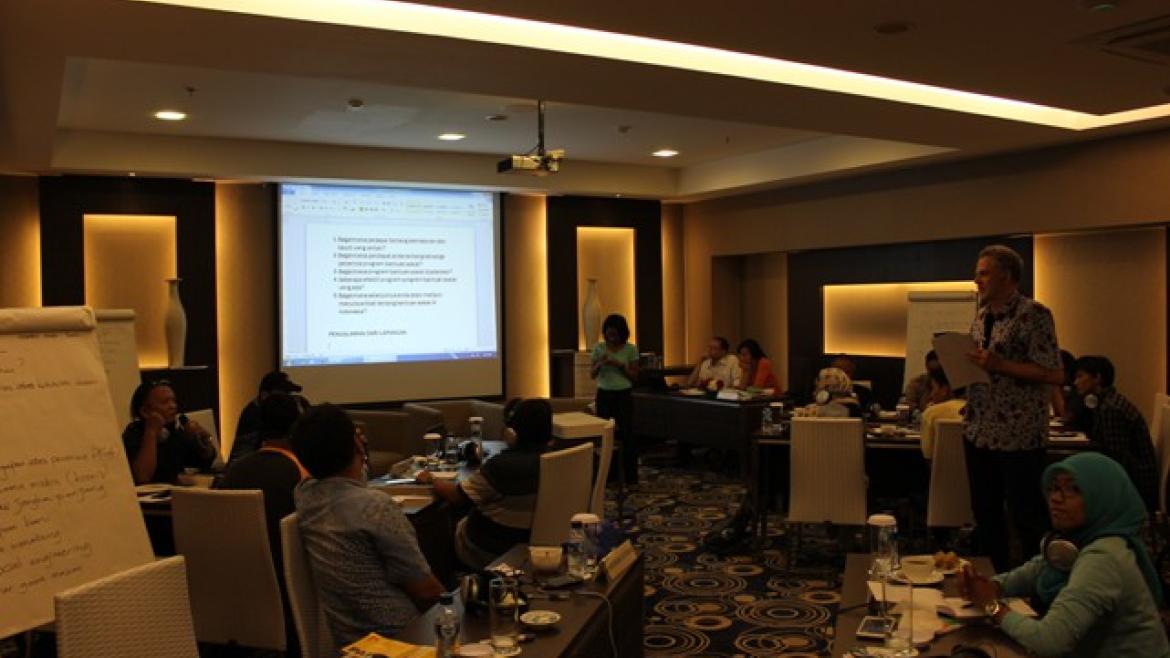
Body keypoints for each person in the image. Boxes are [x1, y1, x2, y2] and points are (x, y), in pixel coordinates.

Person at [960, 452, 1169, 658]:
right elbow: (1036, 569)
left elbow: (1049, 641)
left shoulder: (1104, 557)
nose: (1055, 498)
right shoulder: (1077, 540)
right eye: (1054, 488)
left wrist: (993, 607)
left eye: (1073, 489)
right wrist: (993, 586)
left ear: (1102, 497)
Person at [291, 404, 442, 648]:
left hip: (349, 641)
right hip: (402, 637)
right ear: (357, 444)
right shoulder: (375, 506)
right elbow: (426, 592)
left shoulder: (304, 496)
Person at [964, 244, 1064, 571]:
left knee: (1026, 516)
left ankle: (1036, 584)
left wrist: (1000, 365)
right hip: (979, 430)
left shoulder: (1033, 314)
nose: (977, 280)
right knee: (986, 515)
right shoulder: (982, 316)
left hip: (1018, 435)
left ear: (1006, 275)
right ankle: (995, 583)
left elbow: (1053, 373)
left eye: (984, 273)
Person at [416, 398, 552, 569]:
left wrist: (431, 479)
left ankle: (447, 580)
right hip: (539, 547)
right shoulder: (557, 460)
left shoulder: (501, 466)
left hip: (491, 548)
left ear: (512, 433)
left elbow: (456, 496)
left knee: (442, 521)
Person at [218, 392, 309, 558]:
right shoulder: (302, 475)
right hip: (285, 568)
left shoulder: (233, 472)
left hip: (234, 564)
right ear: (296, 430)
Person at [1072, 355, 1159, 513]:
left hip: (1136, 484)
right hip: (1135, 477)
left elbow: (1116, 460)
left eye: (1080, 376)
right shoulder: (1108, 402)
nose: (1075, 382)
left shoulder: (1110, 409)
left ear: (1097, 378)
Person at [122, 380, 217, 484]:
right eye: (165, 402)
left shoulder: (174, 431)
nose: (173, 406)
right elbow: (142, 477)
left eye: (173, 401)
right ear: (145, 411)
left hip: (176, 491)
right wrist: (151, 432)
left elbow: (204, 461)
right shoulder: (133, 433)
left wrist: (204, 439)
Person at [590, 314, 640, 484]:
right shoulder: (599, 348)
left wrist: (620, 365)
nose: (611, 337)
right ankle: (608, 475)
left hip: (623, 395)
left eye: (614, 334)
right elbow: (592, 374)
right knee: (605, 435)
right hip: (604, 395)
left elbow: (634, 376)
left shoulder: (630, 349)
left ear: (622, 333)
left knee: (627, 435)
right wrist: (600, 363)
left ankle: (631, 476)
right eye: (608, 334)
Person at [231, 370, 303, 463]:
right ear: (264, 395)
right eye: (280, 397)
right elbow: (241, 457)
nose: (287, 400)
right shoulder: (253, 417)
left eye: (288, 395)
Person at [919, 367, 965, 459]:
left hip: (940, 467)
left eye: (932, 388)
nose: (931, 395)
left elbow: (928, 455)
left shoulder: (932, 413)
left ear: (944, 389)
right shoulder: (973, 411)